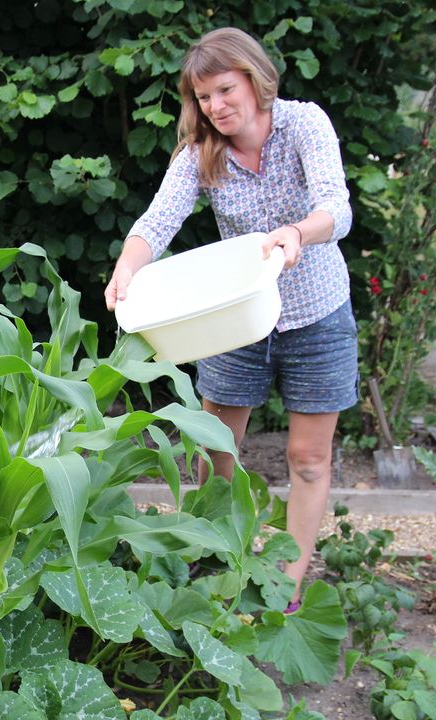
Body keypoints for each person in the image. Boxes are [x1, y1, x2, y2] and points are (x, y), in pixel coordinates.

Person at [103, 27, 357, 614]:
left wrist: (298, 233)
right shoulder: (200, 153)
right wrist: (127, 267)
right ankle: (222, 554)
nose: (215, 107)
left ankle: (286, 581)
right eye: (203, 97)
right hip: (235, 318)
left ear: (254, 78)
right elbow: (156, 222)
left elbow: (335, 208)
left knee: (309, 459)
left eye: (224, 89)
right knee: (218, 449)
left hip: (317, 315)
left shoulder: (303, 124)